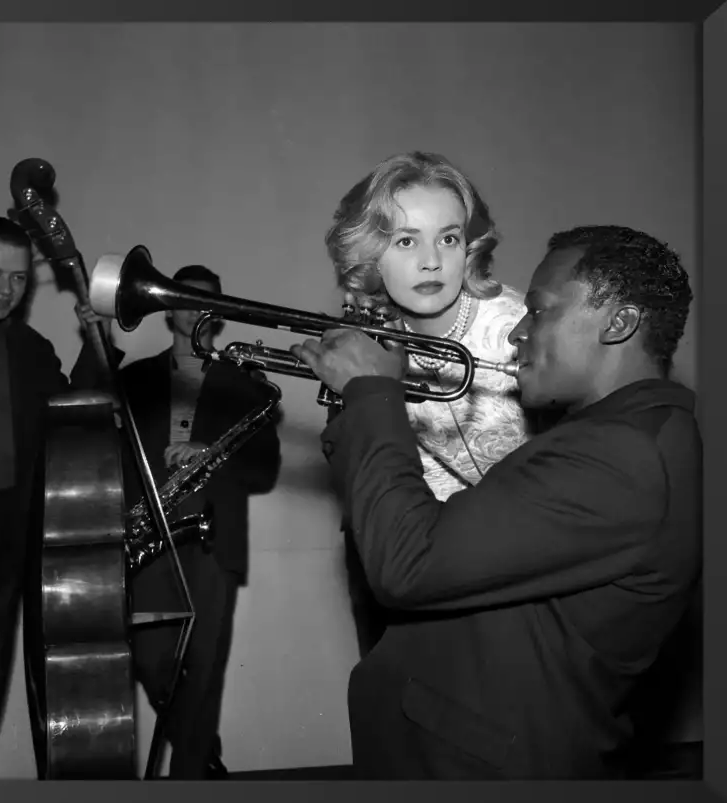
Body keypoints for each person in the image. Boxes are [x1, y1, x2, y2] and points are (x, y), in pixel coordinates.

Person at [290, 224, 701, 779]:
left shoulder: (621, 454)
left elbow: (407, 564)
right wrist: (360, 405)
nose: (517, 334)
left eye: (540, 311)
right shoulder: (615, 436)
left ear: (619, 323)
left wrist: (372, 392)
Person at [323, 151, 534, 657]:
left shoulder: (520, 329)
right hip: (418, 565)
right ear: (369, 255)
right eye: (404, 240)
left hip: (520, 568)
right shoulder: (366, 338)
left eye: (448, 237)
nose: (431, 261)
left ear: (470, 246)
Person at [0, 216, 108, 780]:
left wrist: (96, 340)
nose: (4, 291)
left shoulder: (28, 346)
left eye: (17, 280)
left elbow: (76, 413)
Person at [114, 265, 281, 779]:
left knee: (204, 669)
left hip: (214, 540)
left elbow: (266, 471)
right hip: (151, 539)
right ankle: (203, 752)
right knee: (149, 660)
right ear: (169, 309)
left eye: (206, 303)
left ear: (220, 314)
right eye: (184, 300)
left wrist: (211, 454)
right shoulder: (134, 379)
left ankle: (189, 777)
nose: (195, 311)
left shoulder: (247, 384)